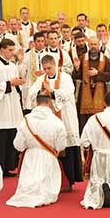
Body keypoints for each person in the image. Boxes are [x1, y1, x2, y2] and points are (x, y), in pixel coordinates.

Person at [28, 55, 82, 190]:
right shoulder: (41, 79)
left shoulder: (65, 78)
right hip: (48, 120)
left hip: (65, 117)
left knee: (66, 148)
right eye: (45, 69)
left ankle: (67, 181)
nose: (47, 71)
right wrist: (41, 91)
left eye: (49, 68)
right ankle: (49, 181)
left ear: (55, 65)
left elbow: (68, 94)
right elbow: (31, 93)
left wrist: (51, 91)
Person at [6, 93, 67, 208]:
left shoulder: (26, 120)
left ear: (36, 103)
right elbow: (61, 145)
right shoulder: (57, 122)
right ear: (50, 103)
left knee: (29, 183)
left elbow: (18, 145)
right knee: (47, 188)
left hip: (31, 156)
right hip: (48, 157)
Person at [0, 38, 24, 176]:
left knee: (10, 136)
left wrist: (17, 82)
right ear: (2, 50)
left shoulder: (12, 66)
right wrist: (10, 83)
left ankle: (8, 167)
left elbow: (14, 84)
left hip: (11, 107)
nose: (12, 53)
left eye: (13, 50)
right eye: (10, 50)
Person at [72, 37, 110, 128]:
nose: (93, 46)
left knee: (100, 116)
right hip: (85, 91)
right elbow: (77, 76)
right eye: (91, 44)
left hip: (100, 92)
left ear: (99, 45)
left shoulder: (104, 59)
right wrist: (77, 68)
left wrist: (98, 73)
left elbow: (109, 75)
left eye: (95, 44)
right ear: (88, 45)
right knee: (85, 118)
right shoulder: (82, 58)